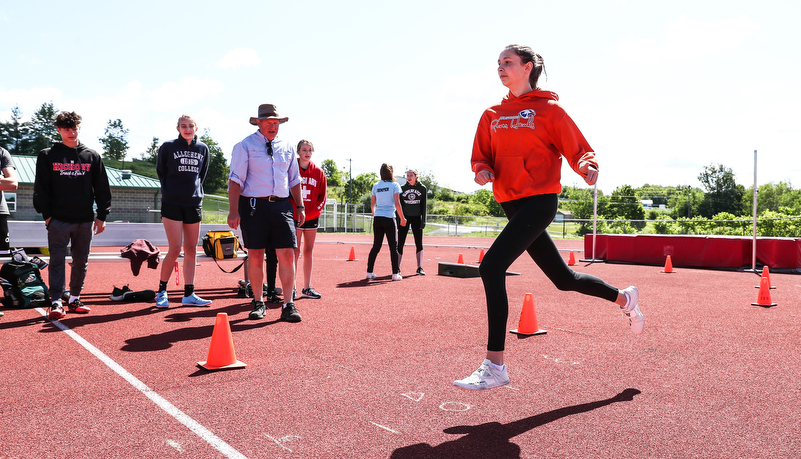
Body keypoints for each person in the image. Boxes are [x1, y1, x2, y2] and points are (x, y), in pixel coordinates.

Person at [454, 44, 644, 390]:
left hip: (540, 202)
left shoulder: (550, 111)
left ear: (527, 67)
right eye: (498, 63)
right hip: (511, 204)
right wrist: (482, 171)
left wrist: (587, 166)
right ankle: (624, 298)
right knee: (563, 278)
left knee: (491, 266)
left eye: (507, 62)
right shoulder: (491, 114)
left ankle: (495, 365)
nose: (500, 67)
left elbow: (579, 149)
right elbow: (480, 156)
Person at [228, 104, 304, 322]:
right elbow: (235, 180)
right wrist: (233, 211)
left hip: (281, 206)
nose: (273, 126)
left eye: (276, 123)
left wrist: (300, 206)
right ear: (258, 123)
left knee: (287, 254)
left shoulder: (287, 146)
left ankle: (288, 304)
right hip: (254, 206)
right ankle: (258, 302)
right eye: (268, 122)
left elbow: (294, 180)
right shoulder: (245, 146)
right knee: (255, 255)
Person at [33, 111, 112, 321]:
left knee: (80, 261)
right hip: (58, 219)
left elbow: (102, 188)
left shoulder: (92, 156)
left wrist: (102, 215)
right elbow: (41, 188)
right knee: (57, 260)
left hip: (85, 219)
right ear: (58, 130)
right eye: (67, 128)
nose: (72, 131)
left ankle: (75, 298)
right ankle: (56, 301)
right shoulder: (47, 155)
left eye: (74, 127)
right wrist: (47, 216)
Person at [154, 114, 212, 308]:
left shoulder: (203, 148)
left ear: (196, 128)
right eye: (183, 126)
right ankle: (162, 291)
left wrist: (193, 191)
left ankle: (189, 293)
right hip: (172, 202)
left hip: (193, 203)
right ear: (178, 128)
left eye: (190, 126)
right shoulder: (168, 147)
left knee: (191, 250)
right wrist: (173, 190)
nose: (187, 129)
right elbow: (161, 171)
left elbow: (201, 174)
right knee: (175, 248)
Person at [293, 140, 327, 299]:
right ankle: (291, 286)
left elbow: (323, 196)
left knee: (308, 250)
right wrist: (294, 211)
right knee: (294, 251)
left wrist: (314, 212)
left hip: (312, 216)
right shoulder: (292, 169)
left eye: (309, 150)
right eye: (304, 150)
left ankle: (306, 287)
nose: (307, 152)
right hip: (295, 215)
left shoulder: (319, 172)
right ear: (298, 152)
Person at [366, 163, 406, 280]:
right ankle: (395, 274)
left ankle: (369, 272)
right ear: (391, 172)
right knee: (393, 247)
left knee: (376, 246)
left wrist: (376, 215)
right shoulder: (395, 185)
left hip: (378, 218)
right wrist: (402, 219)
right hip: (389, 218)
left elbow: (372, 204)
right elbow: (397, 204)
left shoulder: (376, 185)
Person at [397, 168, 427, 275]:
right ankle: (397, 267)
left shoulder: (422, 188)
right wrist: (399, 219)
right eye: (407, 175)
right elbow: (399, 205)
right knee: (400, 242)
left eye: (411, 175)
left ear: (416, 177)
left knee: (419, 242)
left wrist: (423, 220)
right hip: (404, 218)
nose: (409, 177)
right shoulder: (402, 188)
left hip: (416, 218)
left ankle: (419, 267)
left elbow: (424, 205)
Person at [0, 146, 19, 258]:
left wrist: (5, 182)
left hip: (0, 212)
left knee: (2, 258)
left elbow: (12, 184)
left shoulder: (2, 152)